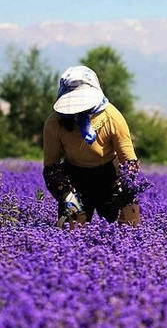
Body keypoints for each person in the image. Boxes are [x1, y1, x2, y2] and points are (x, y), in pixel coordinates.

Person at [43, 65, 147, 228]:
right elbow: (51, 168)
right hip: (74, 177)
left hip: (109, 175)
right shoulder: (55, 123)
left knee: (129, 220)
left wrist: (125, 191)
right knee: (73, 225)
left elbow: (129, 163)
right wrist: (67, 196)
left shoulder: (112, 117)